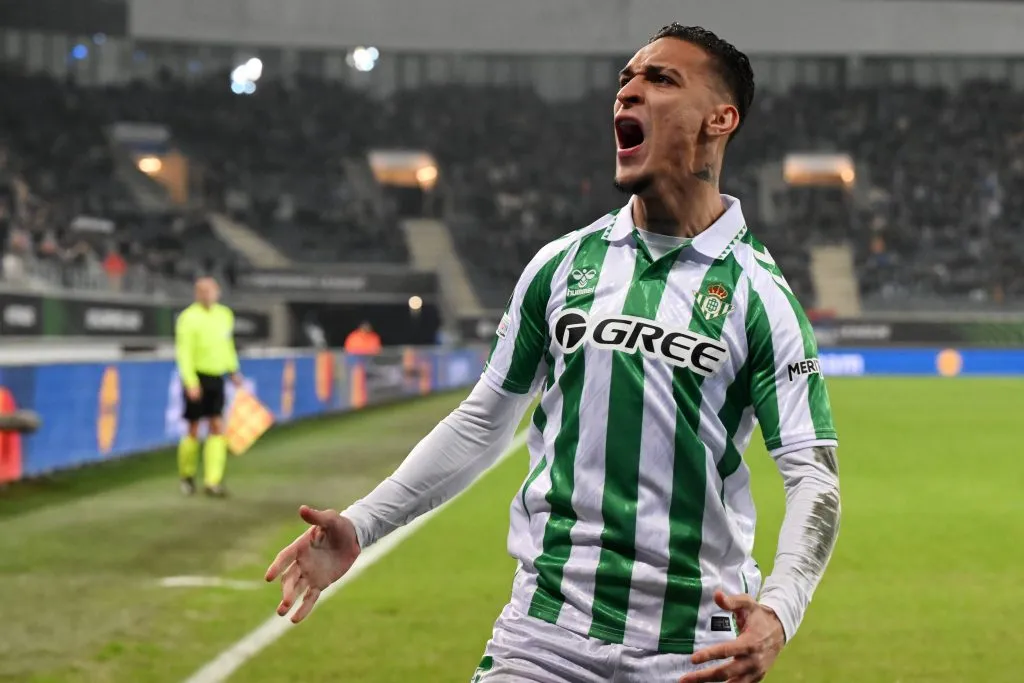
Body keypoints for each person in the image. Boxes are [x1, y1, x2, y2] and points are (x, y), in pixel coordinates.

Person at [265, 24, 841, 683]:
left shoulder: (761, 296)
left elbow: (814, 477)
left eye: (660, 79)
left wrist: (780, 610)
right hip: (543, 639)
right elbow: (483, 422)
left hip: (693, 651)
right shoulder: (561, 266)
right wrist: (362, 523)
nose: (628, 92)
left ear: (720, 118)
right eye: (625, 80)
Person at [175, 276, 242, 497]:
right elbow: (184, 352)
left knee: (216, 425)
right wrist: (190, 382)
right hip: (197, 376)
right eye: (202, 291)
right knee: (193, 428)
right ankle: (187, 475)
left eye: (210, 291)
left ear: (217, 292)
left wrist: (233, 370)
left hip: (216, 376)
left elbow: (227, 345)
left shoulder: (224, 315)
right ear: (197, 294)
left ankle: (212, 481)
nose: (207, 295)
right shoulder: (188, 318)